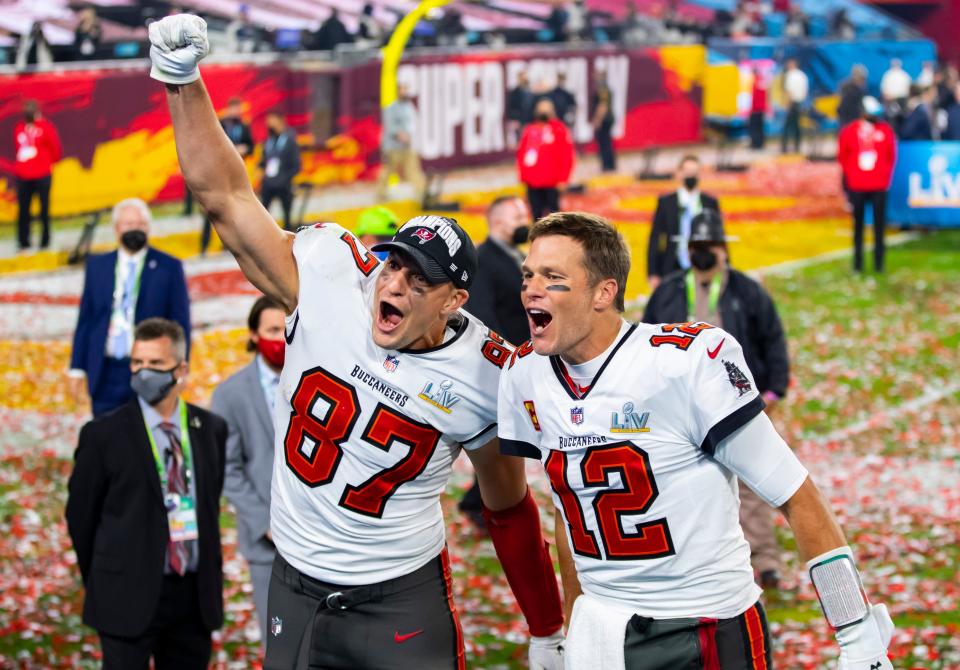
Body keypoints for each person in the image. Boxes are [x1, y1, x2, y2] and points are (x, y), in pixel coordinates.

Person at [147, 15, 564, 669]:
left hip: (399, 597)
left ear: (454, 301)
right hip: (294, 578)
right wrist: (182, 82)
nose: (393, 284)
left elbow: (508, 507)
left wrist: (546, 628)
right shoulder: (334, 274)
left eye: (417, 279)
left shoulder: (485, 372)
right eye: (394, 264)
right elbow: (225, 197)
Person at [499, 211, 896, 670]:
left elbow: (796, 495)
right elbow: (568, 513)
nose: (531, 288)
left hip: (706, 625)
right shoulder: (525, 373)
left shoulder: (684, 365)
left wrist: (857, 633)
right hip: (602, 631)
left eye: (553, 277)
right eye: (529, 274)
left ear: (604, 292)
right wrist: (568, 626)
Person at [66, 318, 227, 669]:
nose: (143, 372)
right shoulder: (103, 436)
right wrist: (105, 576)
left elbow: (210, 505)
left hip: (192, 600)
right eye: (137, 363)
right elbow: (80, 517)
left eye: (155, 364)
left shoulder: (211, 430)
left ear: (180, 369)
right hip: (126, 595)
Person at [642, 210, 790, 589]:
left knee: (753, 482)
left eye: (709, 247)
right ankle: (690, 559)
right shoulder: (669, 291)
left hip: (738, 402)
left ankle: (766, 560)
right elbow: (644, 343)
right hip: (679, 407)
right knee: (682, 482)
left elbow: (772, 338)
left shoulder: (747, 291)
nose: (703, 253)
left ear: (724, 250)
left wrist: (773, 390)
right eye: (696, 247)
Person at [70, 198, 191, 416]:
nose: (135, 228)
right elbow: (86, 319)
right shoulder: (97, 266)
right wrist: (77, 368)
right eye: (128, 224)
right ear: (116, 229)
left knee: (146, 439)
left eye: (141, 224)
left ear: (149, 228)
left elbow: (180, 323)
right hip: (105, 370)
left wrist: (181, 368)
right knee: (106, 439)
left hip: (151, 370)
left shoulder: (168, 267)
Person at [211, 297, 286, 646]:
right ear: (254, 334)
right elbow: (228, 467)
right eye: (272, 330)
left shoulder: (318, 380)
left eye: (286, 329)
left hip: (321, 532)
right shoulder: (229, 395)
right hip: (265, 542)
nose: (280, 337)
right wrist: (264, 522)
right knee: (278, 643)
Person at [459, 195, 533, 527]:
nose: (525, 219)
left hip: (522, 361)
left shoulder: (516, 254)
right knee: (501, 437)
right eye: (517, 214)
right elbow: (484, 317)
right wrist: (512, 357)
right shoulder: (483, 259)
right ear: (497, 222)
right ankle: (479, 503)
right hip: (502, 366)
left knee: (511, 437)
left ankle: (482, 500)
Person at [838, 96, 896, 274]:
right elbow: (843, 156)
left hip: (878, 186)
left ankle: (879, 264)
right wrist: (851, 179)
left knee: (879, 228)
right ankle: (858, 264)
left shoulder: (885, 131)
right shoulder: (850, 131)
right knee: (858, 227)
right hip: (858, 185)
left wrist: (884, 177)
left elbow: (890, 156)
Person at [646, 154, 720, 291]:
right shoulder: (666, 203)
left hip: (703, 267)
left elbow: (719, 238)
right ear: (679, 173)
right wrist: (653, 272)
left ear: (700, 174)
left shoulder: (710, 203)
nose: (690, 176)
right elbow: (655, 238)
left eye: (694, 172)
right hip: (672, 267)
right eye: (687, 172)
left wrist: (725, 268)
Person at [200, 97, 254, 254]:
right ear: (229, 109)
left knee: (234, 210)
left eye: (239, 108)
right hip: (218, 173)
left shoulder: (244, 126)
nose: (236, 112)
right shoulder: (220, 124)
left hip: (236, 174)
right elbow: (211, 145)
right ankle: (204, 246)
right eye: (234, 108)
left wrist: (245, 149)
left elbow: (251, 145)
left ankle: (230, 246)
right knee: (211, 211)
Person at [13, 100, 61, 252]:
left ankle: (45, 241)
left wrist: (45, 163)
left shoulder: (46, 127)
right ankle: (23, 242)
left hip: (42, 174)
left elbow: (55, 149)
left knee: (44, 209)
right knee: (23, 210)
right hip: (23, 175)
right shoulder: (20, 128)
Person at [517, 98, 575, 220]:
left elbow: (567, 156)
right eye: (541, 109)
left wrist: (564, 179)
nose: (543, 112)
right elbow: (522, 153)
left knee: (554, 216)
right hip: (533, 182)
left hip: (552, 182)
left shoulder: (559, 129)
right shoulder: (530, 129)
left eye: (546, 109)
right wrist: (523, 176)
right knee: (535, 215)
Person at [377, 83, 427, 204]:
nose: (405, 92)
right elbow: (390, 127)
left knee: (413, 170)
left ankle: (422, 194)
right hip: (393, 147)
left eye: (406, 89)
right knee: (388, 170)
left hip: (407, 146)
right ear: (398, 91)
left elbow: (413, 125)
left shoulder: (409, 107)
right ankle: (381, 194)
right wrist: (401, 136)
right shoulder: (391, 108)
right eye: (403, 89)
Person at [260, 111, 301, 231]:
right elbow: (265, 161)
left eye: (272, 120)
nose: (269, 124)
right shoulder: (268, 141)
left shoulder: (290, 141)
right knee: (263, 214)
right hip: (268, 184)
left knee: (287, 217)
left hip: (284, 185)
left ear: (280, 121)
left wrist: (285, 178)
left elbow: (296, 165)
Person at [781, 58, 808, 154]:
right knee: (797, 127)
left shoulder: (790, 75)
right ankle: (797, 147)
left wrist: (787, 105)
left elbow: (789, 91)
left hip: (792, 103)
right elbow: (805, 92)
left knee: (787, 127)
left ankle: (784, 148)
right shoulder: (802, 75)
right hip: (799, 104)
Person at [592, 69, 617, 172]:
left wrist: (597, 119)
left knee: (604, 143)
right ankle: (610, 164)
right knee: (607, 142)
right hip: (608, 118)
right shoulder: (606, 88)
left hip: (605, 119)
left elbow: (603, 105)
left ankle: (607, 165)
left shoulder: (602, 89)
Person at [506, 71, 536, 147]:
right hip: (519, 121)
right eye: (522, 77)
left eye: (525, 77)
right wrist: (514, 119)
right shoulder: (514, 93)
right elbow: (511, 107)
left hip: (530, 120)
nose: (524, 79)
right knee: (520, 141)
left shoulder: (531, 91)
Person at [748, 67, 768, 150]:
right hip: (761, 109)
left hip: (756, 109)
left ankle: (755, 144)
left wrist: (752, 109)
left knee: (755, 127)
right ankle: (760, 144)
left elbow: (755, 97)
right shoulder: (762, 81)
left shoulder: (756, 81)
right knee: (760, 127)